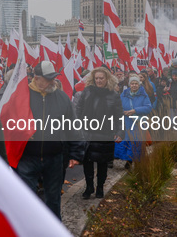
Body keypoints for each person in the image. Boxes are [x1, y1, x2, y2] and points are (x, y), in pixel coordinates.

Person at [15, 61, 85, 219]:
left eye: (53, 78)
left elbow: (72, 125)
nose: (52, 82)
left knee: (53, 199)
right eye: (48, 79)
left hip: (54, 158)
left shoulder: (61, 97)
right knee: (27, 199)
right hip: (26, 157)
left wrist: (76, 153)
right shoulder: (21, 95)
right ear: (35, 78)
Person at [75, 67, 123, 199]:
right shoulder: (87, 92)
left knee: (102, 163)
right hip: (87, 132)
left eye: (101, 78)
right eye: (96, 78)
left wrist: (120, 132)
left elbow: (119, 116)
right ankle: (89, 186)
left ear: (107, 79)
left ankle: (100, 187)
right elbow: (78, 110)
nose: (99, 80)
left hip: (105, 132)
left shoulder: (113, 95)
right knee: (87, 161)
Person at [114, 75, 153, 168]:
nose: (134, 85)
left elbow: (148, 107)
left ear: (139, 84)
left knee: (135, 142)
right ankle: (124, 158)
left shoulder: (143, 95)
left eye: (136, 83)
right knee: (125, 141)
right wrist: (121, 112)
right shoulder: (123, 94)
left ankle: (130, 161)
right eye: (132, 83)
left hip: (138, 123)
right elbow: (117, 105)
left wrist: (135, 111)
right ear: (129, 84)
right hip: (126, 121)